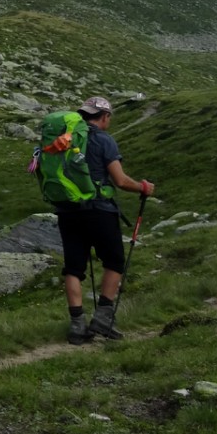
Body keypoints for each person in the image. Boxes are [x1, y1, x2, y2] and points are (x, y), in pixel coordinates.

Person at [59, 95, 155, 343]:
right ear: (104, 117)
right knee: (114, 261)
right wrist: (143, 187)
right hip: (100, 210)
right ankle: (102, 319)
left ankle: (77, 327)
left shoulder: (64, 140)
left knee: (73, 268)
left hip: (68, 211)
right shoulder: (104, 140)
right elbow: (121, 181)